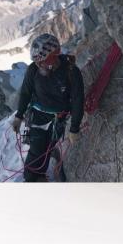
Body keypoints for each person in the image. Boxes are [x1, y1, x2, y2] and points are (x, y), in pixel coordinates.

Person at [12, 33, 85, 182]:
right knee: (36, 149)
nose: (39, 65)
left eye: (42, 61)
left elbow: (78, 100)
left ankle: (40, 175)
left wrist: (74, 128)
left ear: (53, 56)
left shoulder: (71, 72)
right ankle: (31, 179)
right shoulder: (33, 69)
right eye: (37, 62)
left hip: (58, 120)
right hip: (37, 118)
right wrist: (19, 116)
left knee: (48, 147)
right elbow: (26, 92)